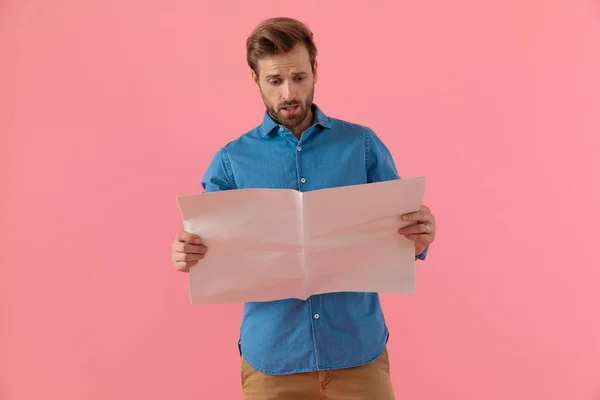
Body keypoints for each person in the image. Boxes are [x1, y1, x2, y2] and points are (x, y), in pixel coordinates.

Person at [171, 17, 437, 400]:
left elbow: (401, 238)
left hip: (357, 353)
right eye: (275, 82)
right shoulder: (230, 163)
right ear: (255, 80)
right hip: (274, 360)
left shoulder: (361, 145)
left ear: (315, 70)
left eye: (298, 77)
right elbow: (210, 251)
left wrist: (421, 236)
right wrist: (187, 252)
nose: (288, 94)